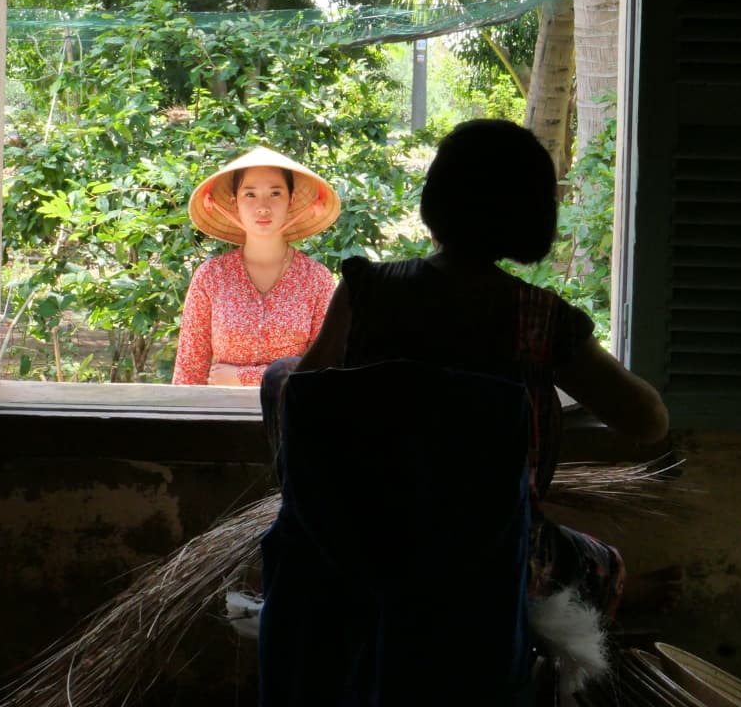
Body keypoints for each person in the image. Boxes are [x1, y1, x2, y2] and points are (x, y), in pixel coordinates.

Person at [272, 119, 669, 623]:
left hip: (364, 542)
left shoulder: (366, 293)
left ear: (436, 200)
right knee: (587, 558)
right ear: (531, 215)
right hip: (487, 560)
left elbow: (302, 401)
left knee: (280, 376)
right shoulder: (542, 321)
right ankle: (616, 592)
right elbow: (650, 421)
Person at [172, 146, 339, 387]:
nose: (263, 206)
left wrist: (242, 378)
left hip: (293, 418)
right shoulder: (211, 276)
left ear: (291, 201)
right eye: (250, 195)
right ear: (234, 203)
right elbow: (188, 371)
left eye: (275, 193)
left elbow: (325, 370)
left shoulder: (316, 279)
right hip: (221, 418)